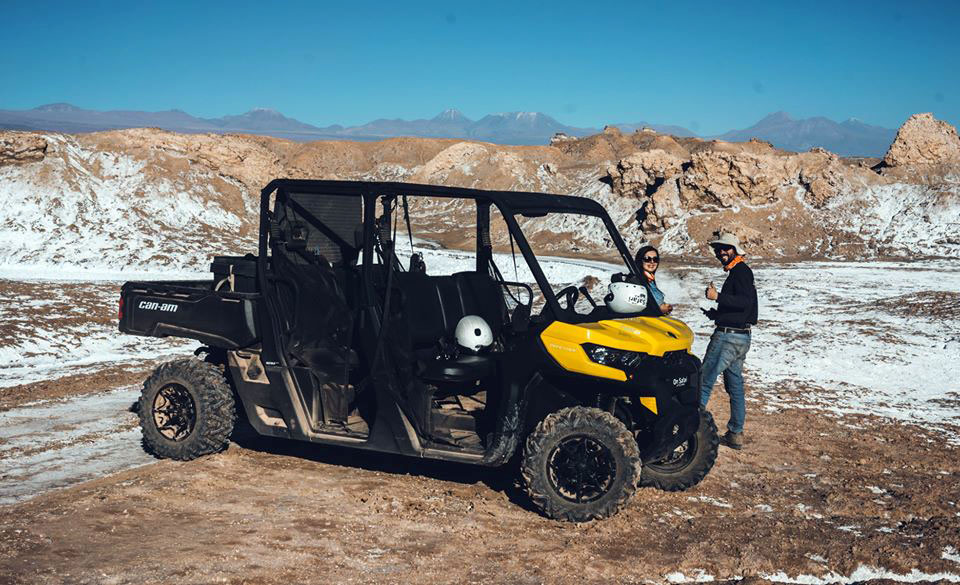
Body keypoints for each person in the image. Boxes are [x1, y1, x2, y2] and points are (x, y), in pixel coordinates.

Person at [699, 231, 758, 450]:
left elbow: (744, 302)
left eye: (725, 248)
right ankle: (735, 434)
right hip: (740, 336)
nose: (721, 252)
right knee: (735, 386)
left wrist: (718, 298)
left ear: (735, 249)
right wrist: (717, 314)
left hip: (728, 337)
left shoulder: (741, 271)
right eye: (718, 249)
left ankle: (690, 433)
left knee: (703, 382)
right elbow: (747, 309)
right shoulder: (740, 272)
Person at [634, 245, 673, 315]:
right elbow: (636, 308)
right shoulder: (636, 282)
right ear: (640, 260)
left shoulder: (650, 280)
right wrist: (659, 309)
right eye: (647, 259)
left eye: (655, 259)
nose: (652, 262)